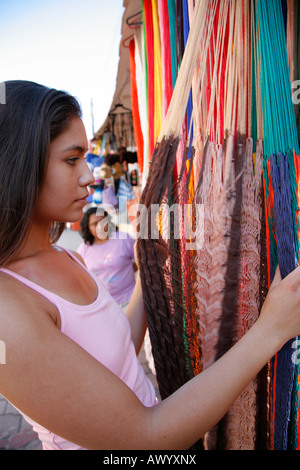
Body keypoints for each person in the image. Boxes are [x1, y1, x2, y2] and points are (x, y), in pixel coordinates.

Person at [1, 80, 300, 451]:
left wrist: (147, 264)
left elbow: (115, 350)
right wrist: (271, 330)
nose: (90, 176)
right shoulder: (8, 310)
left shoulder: (65, 256)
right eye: (71, 159)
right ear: (18, 164)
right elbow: (147, 435)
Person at [78, 206, 136, 311]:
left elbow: (140, 262)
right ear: (88, 227)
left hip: (130, 300)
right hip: (102, 306)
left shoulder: (123, 239)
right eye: (95, 224)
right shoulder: (83, 249)